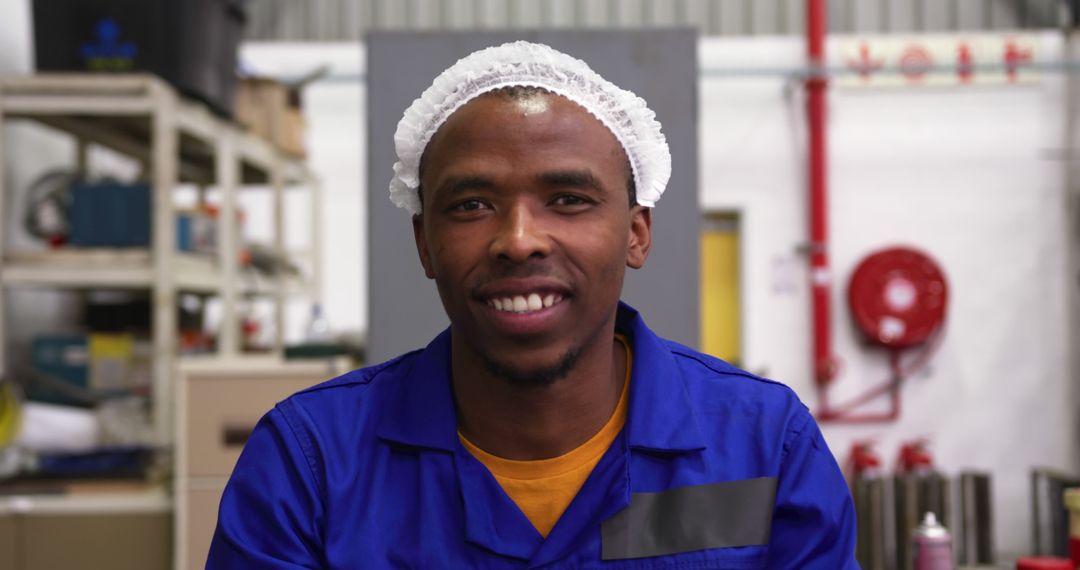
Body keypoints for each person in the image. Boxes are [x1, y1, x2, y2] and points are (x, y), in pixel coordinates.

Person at [208, 41, 857, 569]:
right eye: (471, 205)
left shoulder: (761, 447)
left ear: (636, 232)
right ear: (425, 243)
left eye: (568, 199)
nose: (518, 241)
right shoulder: (314, 465)